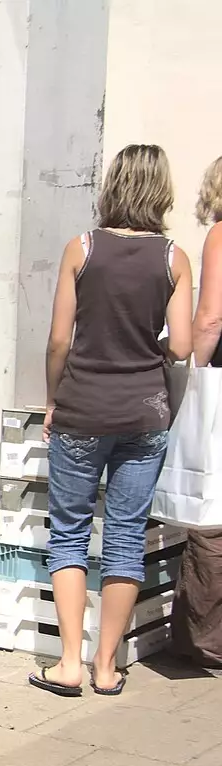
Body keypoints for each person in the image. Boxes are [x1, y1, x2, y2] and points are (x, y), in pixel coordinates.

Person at [32, 144, 194, 696]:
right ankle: (107, 666)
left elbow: (58, 339)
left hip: (82, 408)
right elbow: (183, 346)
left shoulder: (81, 248)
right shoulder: (174, 258)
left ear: (113, 185)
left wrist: (53, 398)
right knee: (126, 537)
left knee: (71, 533)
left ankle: (69, 663)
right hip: (144, 412)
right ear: (162, 190)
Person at [173, 155, 222, 665]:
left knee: (214, 512)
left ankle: (206, 639)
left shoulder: (220, 234)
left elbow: (209, 318)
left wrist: (195, 375)